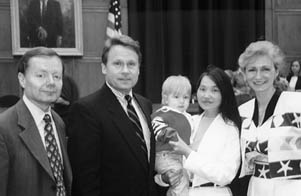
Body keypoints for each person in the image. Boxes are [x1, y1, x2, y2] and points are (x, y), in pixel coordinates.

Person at [67, 35, 157, 196]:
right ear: (104, 67)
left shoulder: (145, 105)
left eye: (131, 64)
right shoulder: (86, 110)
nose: (125, 71)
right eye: (117, 64)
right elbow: (85, 181)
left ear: (138, 69)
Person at [0, 47, 72, 196]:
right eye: (41, 75)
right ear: (22, 79)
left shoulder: (58, 122)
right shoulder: (4, 128)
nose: (51, 82)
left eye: (57, 76)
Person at [238, 40, 301, 196]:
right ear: (245, 74)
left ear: (276, 71)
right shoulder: (242, 112)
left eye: (265, 69)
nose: (258, 76)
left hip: (291, 188)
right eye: (252, 70)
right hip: (256, 187)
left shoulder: (296, 103)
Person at [168, 66, 241, 196]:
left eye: (214, 90)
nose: (207, 95)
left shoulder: (230, 128)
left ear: (224, 93)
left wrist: (188, 152)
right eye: (202, 89)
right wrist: (165, 178)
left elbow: (226, 175)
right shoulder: (190, 121)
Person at [152, 75, 192, 196]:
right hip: (165, 155)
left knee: (183, 178)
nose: (182, 101)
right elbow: (156, 125)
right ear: (165, 98)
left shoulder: (188, 116)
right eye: (176, 97)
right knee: (179, 177)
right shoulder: (164, 113)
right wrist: (168, 134)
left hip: (180, 156)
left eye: (186, 97)